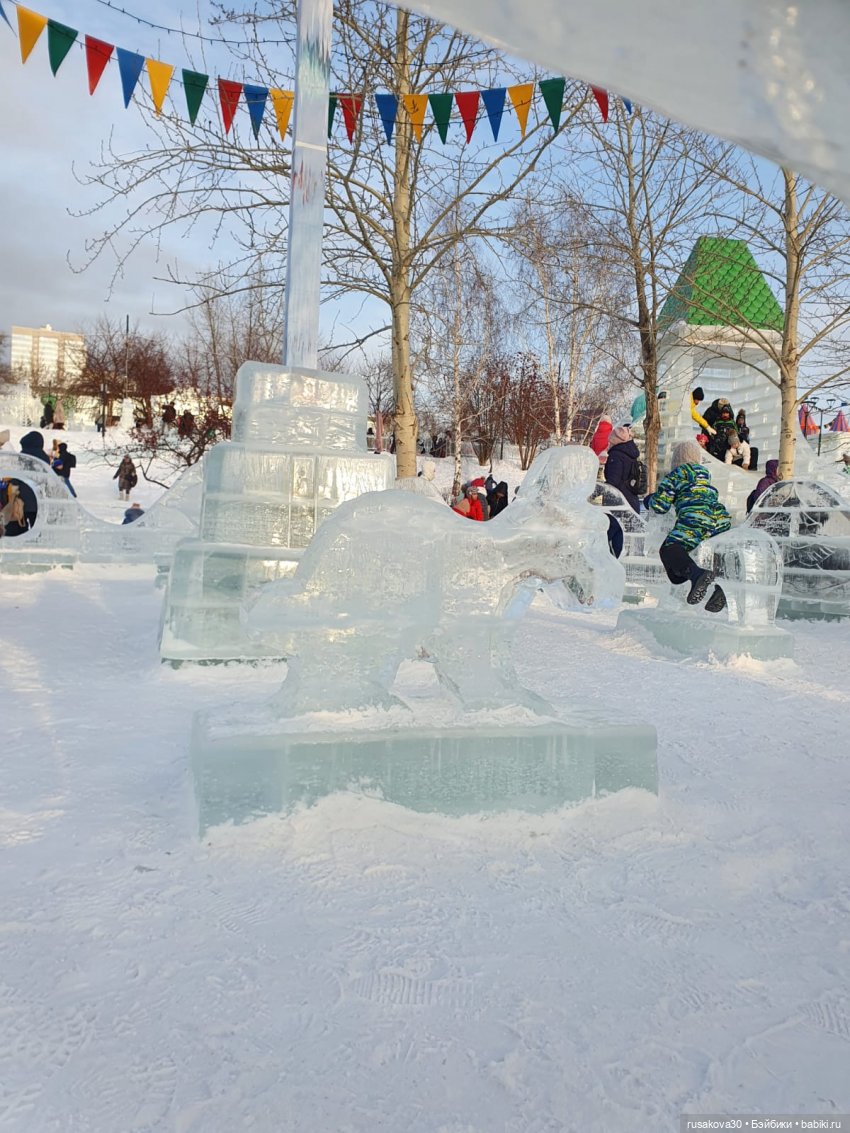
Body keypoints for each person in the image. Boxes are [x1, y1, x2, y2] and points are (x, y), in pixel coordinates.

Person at [644, 439, 732, 613]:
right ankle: (723, 588)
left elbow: (660, 506)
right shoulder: (705, 476)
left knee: (669, 548)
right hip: (720, 519)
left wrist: (649, 500)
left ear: (676, 461)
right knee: (715, 552)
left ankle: (696, 575)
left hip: (695, 517)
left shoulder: (676, 475)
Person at [604, 424, 641, 512]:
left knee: (614, 526)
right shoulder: (631, 455)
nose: (609, 444)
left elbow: (613, 481)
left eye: (611, 441)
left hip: (618, 504)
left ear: (615, 440)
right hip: (632, 502)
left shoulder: (616, 455)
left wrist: (597, 493)